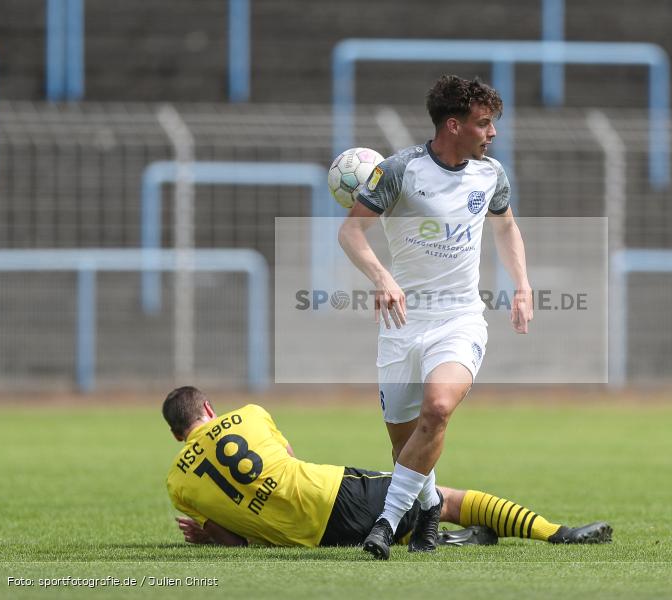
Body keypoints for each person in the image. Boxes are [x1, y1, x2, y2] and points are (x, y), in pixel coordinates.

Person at [338, 74, 534, 559]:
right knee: (406, 448)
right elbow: (351, 233)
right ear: (454, 125)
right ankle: (428, 508)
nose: (493, 133)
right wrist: (383, 278)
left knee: (439, 409)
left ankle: (385, 526)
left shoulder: (491, 175)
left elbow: (507, 230)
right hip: (404, 326)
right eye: (484, 123)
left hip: (460, 319)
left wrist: (523, 285)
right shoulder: (400, 170)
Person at [163, 386, 611, 552]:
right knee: (441, 497)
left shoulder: (176, 486)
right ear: (207, 407)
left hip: (312, 541)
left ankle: (455, 540)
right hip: (330, 493)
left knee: (400, 525)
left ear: (177, 435)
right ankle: (557, 532)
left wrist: (208, 536)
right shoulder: (250, 413)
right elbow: (288, 460)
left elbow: (236, 540)